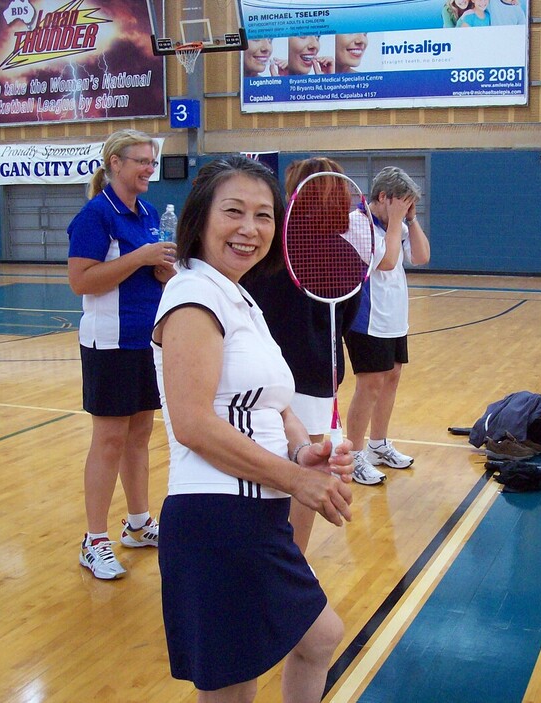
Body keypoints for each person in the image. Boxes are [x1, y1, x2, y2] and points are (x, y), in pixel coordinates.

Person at [151, 156, 354, 701]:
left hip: (252, 514)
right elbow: (193, 424)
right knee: (235, 688)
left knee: (317, 638)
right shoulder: (194, 298)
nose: (250, 228)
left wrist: (302, 449)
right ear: (200, 219)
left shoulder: (238, 295)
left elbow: (272, 400)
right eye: (234, 211)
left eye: (264, 215)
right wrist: (295, 481)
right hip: (218, 517)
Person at [67, 129, 177, 580]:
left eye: (151, 162)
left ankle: (137, 523)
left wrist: (162, 267)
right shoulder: (96, 215)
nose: (149, 169)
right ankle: (94, 541)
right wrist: (140, 258)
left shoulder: (150, 212)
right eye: (141, 161)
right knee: (109, 440)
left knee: (138, 436)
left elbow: (152, 272)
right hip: (108, 343)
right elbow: (82, 281)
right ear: (115, 162)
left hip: (144, 341)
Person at [246, 157, 361, 554]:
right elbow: (344, 323)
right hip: (314, 379)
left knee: (261, 471)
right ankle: (292, 560)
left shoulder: (261, 250)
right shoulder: (348, 257)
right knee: (305, 475)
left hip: (261, 378)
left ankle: (265, 559)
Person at [345, 167, 431, 485]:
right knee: (369, 387)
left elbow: (421, 257)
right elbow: (387, 261)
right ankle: (353, 456)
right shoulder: (357, 223)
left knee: (392, 379)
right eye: (403, 203)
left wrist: (410, 219)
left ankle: (378, 445)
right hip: (367, 318)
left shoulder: (397, 225)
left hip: (394, 317)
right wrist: (396, 222)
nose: (407, 209)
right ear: (383, 197)